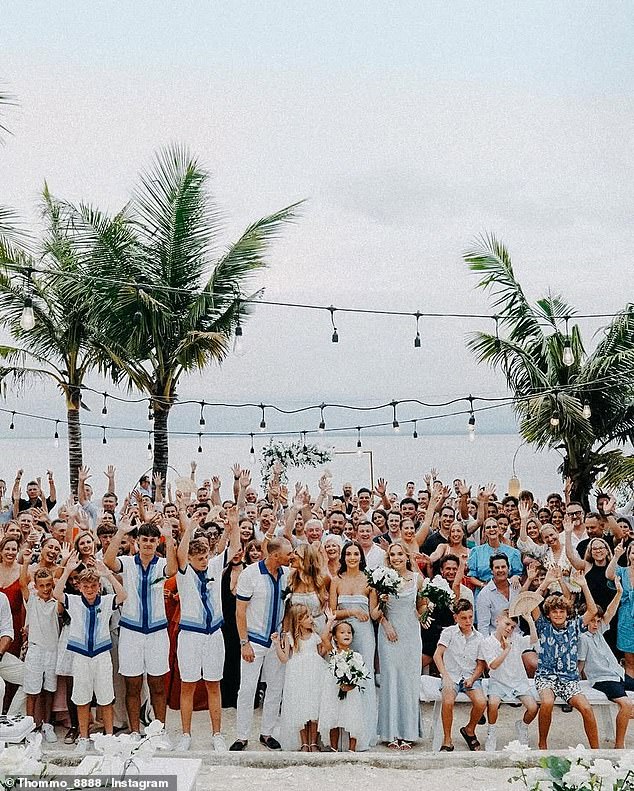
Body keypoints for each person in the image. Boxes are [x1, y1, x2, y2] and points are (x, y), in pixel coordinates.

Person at [103, 515, 177, 739]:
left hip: (156, 633)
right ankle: (135, 731)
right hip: (131, 632)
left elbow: (173, 570)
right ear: (137, 542)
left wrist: (170, 537)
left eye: (152, 540)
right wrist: (121, 531)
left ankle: (158, 732)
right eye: (144, 539)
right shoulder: (127, 563)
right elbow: (108, 561)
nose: (147, 544)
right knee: (132, 684)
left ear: (157, 543)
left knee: (157, 684)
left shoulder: (163, 564)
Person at [174, 505, 240, 752]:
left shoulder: (213, 567)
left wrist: (232, 525)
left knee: (214, 684)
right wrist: (190, 526)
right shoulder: (183, 573)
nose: (203, 562)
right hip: (190, 636)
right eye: (198, 559)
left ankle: (217, 734)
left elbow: (233, 550)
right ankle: (185, 735)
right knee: (188, 685)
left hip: (214, 635)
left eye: (205, 558)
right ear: (190, 559)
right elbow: (180, 555)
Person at [53, 555, 126, 754]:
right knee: (82, 697)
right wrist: (67, 570)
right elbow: (56, 592)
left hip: (102, 656)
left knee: (105, 697)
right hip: (81, 657)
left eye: (94, 586)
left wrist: (107, 574)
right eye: (86, 587)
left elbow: (123, 595)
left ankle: (109, 736)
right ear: (79, 587)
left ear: (98, 586)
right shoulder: (74, 602)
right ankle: (84, 736)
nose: (90, 590)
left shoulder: (107, 601)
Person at [230, 536, 293, 751]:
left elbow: (289, 607)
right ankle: (241, 736)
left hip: (276, 641)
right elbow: (240, 611)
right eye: (288, 553)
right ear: (275, 555)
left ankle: (267, 733)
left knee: (275, 689)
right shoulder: (250, 574)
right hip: (253, 640)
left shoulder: (287, 575)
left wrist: (284, 635)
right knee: (247, 689)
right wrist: (244, 642)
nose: (291, 556)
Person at [531, 568, 599, 749]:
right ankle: (542, 744)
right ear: (549, 614)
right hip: (546, 676)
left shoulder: (574, 626)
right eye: (554, 612)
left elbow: (592, 610)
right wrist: (545, 582)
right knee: (546, 702)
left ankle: (596, 750)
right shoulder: (543, 625)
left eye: (561, 611)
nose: (558, 615)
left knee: (586, 708)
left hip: (569, 678)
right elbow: (531, 604)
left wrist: (584, 586)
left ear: (566, 612)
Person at [371, 541, 426, 750]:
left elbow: (421, 607)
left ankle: (409, 733)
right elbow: (374, 614)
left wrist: (426, 610)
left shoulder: (417, 580)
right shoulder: (381, 579)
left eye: (399, 554)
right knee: (390, 680)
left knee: (409, 681)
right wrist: (386, 624)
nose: (396, 558)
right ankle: (390, 732)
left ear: (406, 556)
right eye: (392, 555)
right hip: (389, 635)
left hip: (411, 635)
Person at [329, 541, 379, 751]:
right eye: (348, 554)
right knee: (339, 676)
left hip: (365, 633)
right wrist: (350, 613)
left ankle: (362, 735)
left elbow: (374, 612)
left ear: (361, 557)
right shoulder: (336, 581)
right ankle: (340, 737)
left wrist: (382, 602)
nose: (352, 557)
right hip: (342, 632)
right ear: (343, 557)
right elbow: (332, 612)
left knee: (363, 679)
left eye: (355, 554)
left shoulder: (369, 580)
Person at [578, 575, 633, 748]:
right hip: (603, 679)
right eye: (592, 621)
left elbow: (610, 611)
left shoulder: (598, 631)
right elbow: (580, 665)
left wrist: (619, 592)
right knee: (625, 704)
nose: (595, 624)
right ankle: (619, 745)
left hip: (618, 674)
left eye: (597, 621)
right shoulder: (583, 638)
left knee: (628, 706)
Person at [273, 604, 334, 751]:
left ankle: (313, 742)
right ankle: (304, 742)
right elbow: (284, 658)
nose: (311, 619)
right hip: (297, 675)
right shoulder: (290, 637)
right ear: (298, 620)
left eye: (310, 616)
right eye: (307, 617)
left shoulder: (315, 635)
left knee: (313, 706)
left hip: (314, 673)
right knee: (300, 707)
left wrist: (330, 623)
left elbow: (321, 652)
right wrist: (276, 644)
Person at [480, 612, 539, 751]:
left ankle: (522, 726)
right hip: (498, 681)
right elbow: (493, 665)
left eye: (513, 627)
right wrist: (506, 649)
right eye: (507, 624)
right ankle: (492, 732)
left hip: (518, 681)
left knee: (533, 708)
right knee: (493, 704)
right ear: (497, 621)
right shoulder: (487, 642)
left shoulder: (516, 639)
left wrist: (530, 621)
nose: (509, 629)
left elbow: (534, 640)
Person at [434, 598, 487, 751]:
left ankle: (469, 730)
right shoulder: (449, 632)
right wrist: (446, 676)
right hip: (451, 675)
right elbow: (438, 655)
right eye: (463, 618)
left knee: (481, 702)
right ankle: (447, 740)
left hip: (470, 676)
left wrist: (472, 678)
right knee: (448, 701)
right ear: (455, 618)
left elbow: (480, 664)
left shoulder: (479, 637)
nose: (468, 621)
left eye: (470, 617)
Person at [19, 548, 61, 742]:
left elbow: (59, 580)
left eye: (48, 585)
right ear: (36, 586)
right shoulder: (33, 600)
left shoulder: (56, 602)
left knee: (48, 690)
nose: (45, 589)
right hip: (35, 650)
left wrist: (65, 565)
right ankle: (30, 727)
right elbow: (21, 584)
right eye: (41, 585)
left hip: (53, 650)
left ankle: (46, 724)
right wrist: (26, 562)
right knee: (32, 691)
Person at [318, 620, 368, 752]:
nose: (347, 634)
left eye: (349, 632)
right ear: (334, 637)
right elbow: (323, 637)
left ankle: (352, 749)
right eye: (342, 632)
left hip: (351, 694)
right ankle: (334, 748)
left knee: (352, 718)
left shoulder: (356, 656)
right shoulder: (333, 652)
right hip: (334, 691)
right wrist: (329, 621)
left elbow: (361, 676)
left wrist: (351, 685)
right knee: (334, 718)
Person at [606, 541, 634, 678]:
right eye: (633, 552)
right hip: (626, 616)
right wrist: (616, 556)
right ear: (629, 555)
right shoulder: (623, 571)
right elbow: (609, 575)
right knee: (629, 658)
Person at [287, 542, 330, 632]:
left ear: (305, 558)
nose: (291, 557)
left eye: (296, 553)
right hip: (297, 630)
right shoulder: (290, 579)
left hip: (319, 628)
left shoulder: (322, 578)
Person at [475, 554, 520, 636]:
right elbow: (483, 627)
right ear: (492, 570)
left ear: (508, 568)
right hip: (496, 640)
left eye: (503, 567)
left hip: (517, 636)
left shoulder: (516, 586)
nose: (500, 570)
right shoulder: (484, 595)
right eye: (497, 567)